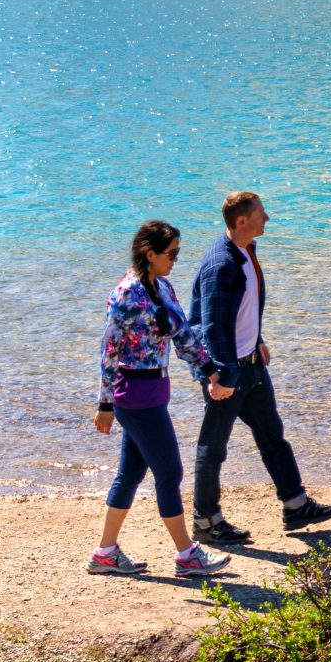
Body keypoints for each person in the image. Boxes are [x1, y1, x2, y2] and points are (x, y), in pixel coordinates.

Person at [91, 220, 236, 579]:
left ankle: (105, 554)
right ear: (149, 253)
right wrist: (105, 403)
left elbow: (184, 336)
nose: (176, 259)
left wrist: (209, 369)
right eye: (171, 253)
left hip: (155, 391)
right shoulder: (126, 294)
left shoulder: (163, 287)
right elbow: (109, 351)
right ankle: (187, 555)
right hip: (134, 396)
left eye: (178, 252)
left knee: (131, 472)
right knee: (169, 472)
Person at [188, 189, 331, 542]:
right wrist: (220, 374)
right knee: (214, 447)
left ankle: (296, 506)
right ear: (242, 221)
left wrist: (257, 340)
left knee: (272, 435)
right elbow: (212, 326)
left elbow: (244, 310)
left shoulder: (245, 251)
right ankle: (206, 521)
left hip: (251, 363)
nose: (267, 218)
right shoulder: (221, 265)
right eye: (261, 213)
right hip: (229, 371)